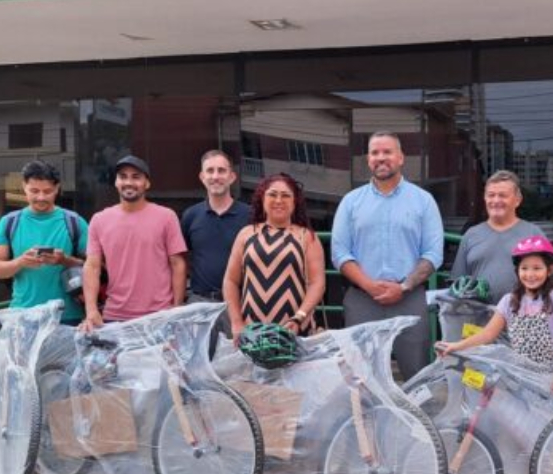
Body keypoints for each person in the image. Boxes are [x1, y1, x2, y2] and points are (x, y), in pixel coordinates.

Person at [331, 131, 444, 379]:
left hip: (410, 298)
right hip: (362, 301)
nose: (381, 158)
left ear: (401, 157)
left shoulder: (423, 201)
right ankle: (368, 419)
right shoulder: (350, 202)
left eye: (387, 152)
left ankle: (415, 419)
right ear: (368, 159)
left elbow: (433, 254)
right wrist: (369, 286)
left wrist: (402, 287)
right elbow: (340, 253)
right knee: (362, 377)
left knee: (417, 375)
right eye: (375, 153)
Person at [436, 236, 553, 396]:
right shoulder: (509, 301)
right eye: (524, 268)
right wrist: (455, 346)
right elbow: (487, 335)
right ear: (517, 270)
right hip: (521, 379)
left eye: (537, 268)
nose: (530, 274)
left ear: (551, 269)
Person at [80, 155, 187, 330]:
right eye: (123, 176)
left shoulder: (166, 217)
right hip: (114, 317)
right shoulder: (99, 220)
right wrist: (91, 311)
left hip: (160, 316)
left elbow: (177, 264)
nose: (129, 182)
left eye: (136, 177)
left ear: (147, 183)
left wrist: (176, 309)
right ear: (116, 182)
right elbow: (92, 266)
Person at [223, 173, 326, 337]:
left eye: (286, 195)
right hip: (251, 331)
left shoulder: (307, 237)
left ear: (295, 202)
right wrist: (236, 323)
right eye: (272, 194)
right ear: (262, 199)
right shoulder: (246, 234)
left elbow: (317, 283)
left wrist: (299, 317)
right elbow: (230, 281)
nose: (279, 200)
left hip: (293, 330)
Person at [0, 160, 89, 326]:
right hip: (23, 316)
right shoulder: (8, 222)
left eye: (47, 191)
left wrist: (65, 260)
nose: (41, 197)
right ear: (24, 187)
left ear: (57, 189)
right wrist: (21, 262)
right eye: (34, 191)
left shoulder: (74, 222)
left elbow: (95, 266)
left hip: (68, 316)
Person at [451, 170, 549, 302]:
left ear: (517, 200)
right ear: (485, 198)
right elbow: (458, 282)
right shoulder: (470, 235)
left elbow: (552, 284)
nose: (496, 200)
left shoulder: (533, 234)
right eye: (491, 195)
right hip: (477, 316)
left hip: (521, 317)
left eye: (503, 195)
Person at [181, 150, 251, 304]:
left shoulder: (250, 216)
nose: (215, 176)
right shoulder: (191, 216)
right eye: (210, 171)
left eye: (221, 171)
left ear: (232, 177)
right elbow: (182, 259)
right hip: (198, 302)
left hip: (240, 302)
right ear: (202, 177)